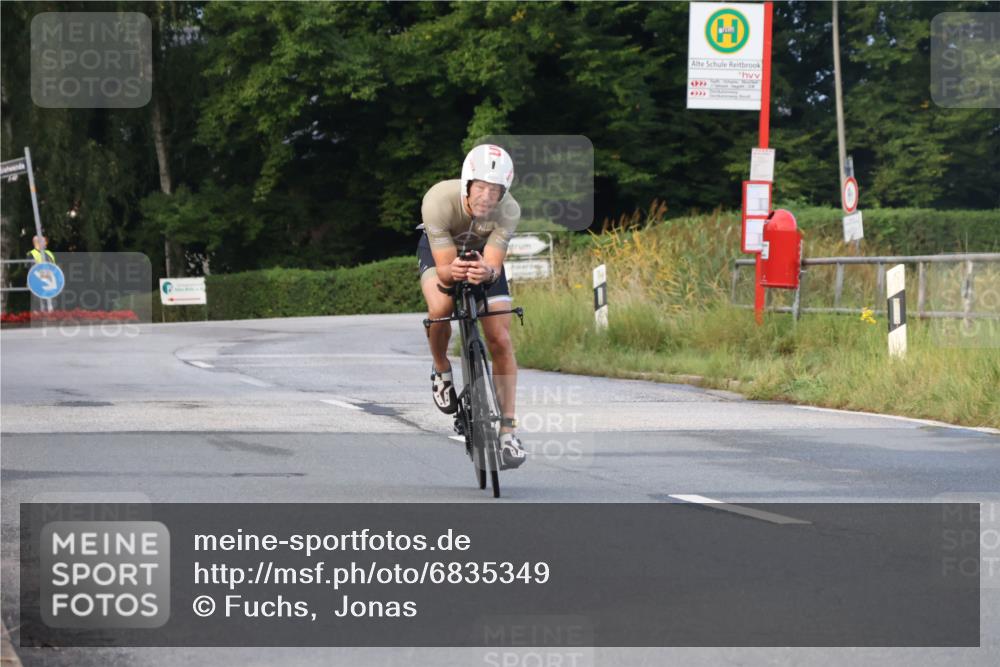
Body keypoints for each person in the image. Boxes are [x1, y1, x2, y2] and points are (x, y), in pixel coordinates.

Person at [416, 144, 526, 470]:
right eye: (480, 187)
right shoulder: (437, 200)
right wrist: (455, 273)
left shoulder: (510, 211)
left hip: (482, 259)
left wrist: (487, 272)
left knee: (500, 338)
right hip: (443, 256)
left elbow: (493, 266)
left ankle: (508, 430)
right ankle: (440, 369)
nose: (486, 197)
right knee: (440, 309)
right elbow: (447, 273)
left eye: (494, 191)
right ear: (467, 183)